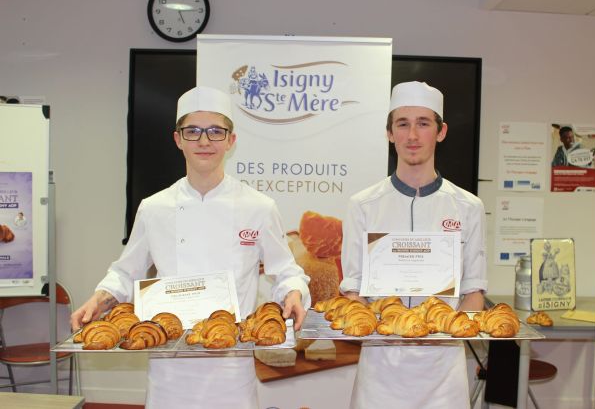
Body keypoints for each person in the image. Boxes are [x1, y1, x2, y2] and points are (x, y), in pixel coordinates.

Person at [70, 86, 310, 409]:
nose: (204, 141)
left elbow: (286, 270)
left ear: (231, 140)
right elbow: (126, 271)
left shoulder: (259, 207)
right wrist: (100, 299)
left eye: (215, 131)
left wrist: (293, 292)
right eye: (193, 131)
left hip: (231, 368)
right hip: (170, 368)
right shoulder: (154, 208)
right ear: (178, 139)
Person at [339, 81, 487, 408]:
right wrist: (378, 325)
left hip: (443, 373)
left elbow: (474, 292)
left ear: (441, 131)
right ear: (389, 133)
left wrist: (448, 332)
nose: (412, 135)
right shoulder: (363, 205)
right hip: (380, 369)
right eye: (402, 124)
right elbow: (353, 290)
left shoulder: (468, 207)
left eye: (423, 123)